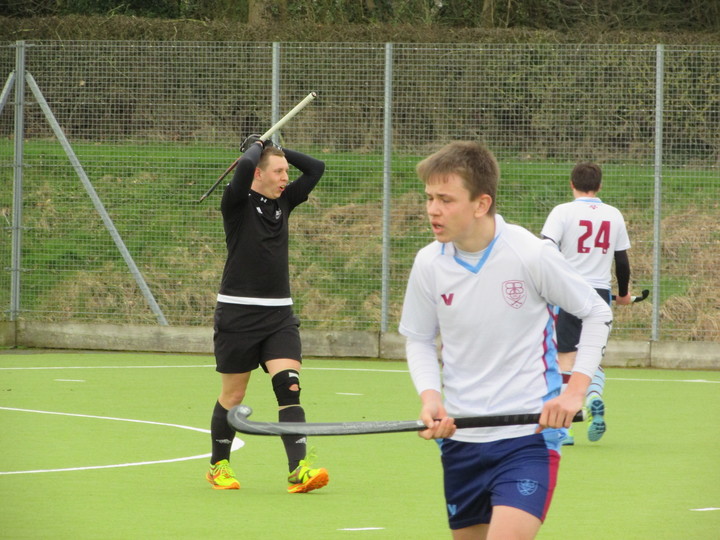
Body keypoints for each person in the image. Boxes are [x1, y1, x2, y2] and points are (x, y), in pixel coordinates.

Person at [398, 141, 613, 539]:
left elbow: (597, 312)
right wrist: (430, 399)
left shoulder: (530, 253)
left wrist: (574, 393)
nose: (432, 209)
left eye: (446, 199)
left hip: (528, 438)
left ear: (481, 204)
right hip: (460, 439)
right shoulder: (429, 263)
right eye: (429, 198)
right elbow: (419, 339)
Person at [206, 134, 329, 493]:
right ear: (258, 174)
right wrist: (256, 148)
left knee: (289, 385)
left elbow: (316, 168)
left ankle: (299, 470)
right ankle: (218, 465)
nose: (285, 178)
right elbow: (246, 165)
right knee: (233, 396)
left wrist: (277, 148)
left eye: (286, 172)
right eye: (278, 172)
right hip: (238, 314)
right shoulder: (236, 202)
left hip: (279, 315)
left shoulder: (284, 202)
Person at [541, 162, 631, 445]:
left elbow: (545, 250)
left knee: (565, 359)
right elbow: (621, 261)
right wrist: (623, 293)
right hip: (600, 294)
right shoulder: (613, 214)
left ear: (572, 184)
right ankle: (592, 396)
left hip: (568, 292)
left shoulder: (562, 212)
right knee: (591, 356)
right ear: (599, 186)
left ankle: (564, 429)